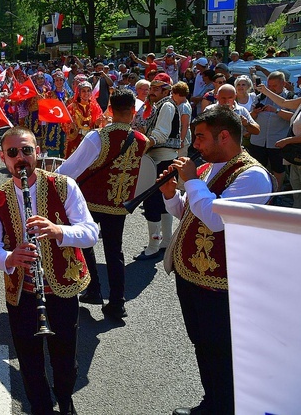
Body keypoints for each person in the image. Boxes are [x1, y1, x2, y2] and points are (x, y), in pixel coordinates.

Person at [159, 107, 273, 415]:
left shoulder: (252, 176)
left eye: (200, 137)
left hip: (222, 284)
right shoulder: (211, 167)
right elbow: (190, 210)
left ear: (224, 136)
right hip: (192, 276)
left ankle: (226, 407)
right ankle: (213, 403)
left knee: (223, 352)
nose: (195, 145)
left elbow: (215, 218)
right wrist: (172, 194)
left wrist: (191, 181)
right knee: (204, 346)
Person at [0, 126, 98, 415]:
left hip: (62, 286)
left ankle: (65, 400)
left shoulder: (64, 185)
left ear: (37, 153)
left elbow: (90, 232)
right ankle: (41, 406)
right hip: (23, 291)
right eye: (12, 152)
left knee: (65, 358)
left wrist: (58, 231)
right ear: (3, 158)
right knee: (30, 359)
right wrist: (10, 257)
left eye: (26, 150)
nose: (20, 157)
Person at [57, 89, 149, 319]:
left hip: (90, 200)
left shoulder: (98, 136)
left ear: (110, 109)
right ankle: (118, 302)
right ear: (133, 111)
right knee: (114, 251)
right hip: (119, 204)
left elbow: (71, 168)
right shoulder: (141, 140)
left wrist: (52, 181)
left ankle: (94, 287)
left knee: (85, 243)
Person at [134, 73, 181, 261]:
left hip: (161, 159)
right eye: (151, 88)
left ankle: (154, 246)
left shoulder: (167, 106)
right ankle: (165, 241)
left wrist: (141, 146)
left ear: (166, 90)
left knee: (152, 202)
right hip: (162, 159)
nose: (151, 92)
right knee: (162, 202)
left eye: (155, 89)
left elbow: (161, 134)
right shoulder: (158, 106)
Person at [249, 71, 294, 188]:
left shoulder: (291, 98)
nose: (271, 88)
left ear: (283, 84)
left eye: (274, 86)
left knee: (278, 169)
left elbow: (293, 118)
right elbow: (249, 118)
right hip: (258, 140)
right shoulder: (260, 97)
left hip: (278, 141)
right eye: (269, 85)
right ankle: (259, 192)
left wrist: (276, 111)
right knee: (257, 169)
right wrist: (255, 112)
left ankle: (276, 195)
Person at [65, 80, 105, 158]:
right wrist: (71, 128)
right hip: (75, 140)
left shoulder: (95, 107)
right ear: (79, 93)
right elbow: (65, 123)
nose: (86, 93)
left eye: (88, 91)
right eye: (83, 91)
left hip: (90, 140)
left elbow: (100, 124)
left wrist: (96, 124)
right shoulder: (72, 107)